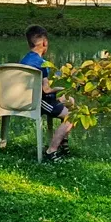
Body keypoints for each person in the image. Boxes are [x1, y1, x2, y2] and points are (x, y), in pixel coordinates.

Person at [20, 25, 74, 161]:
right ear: (44, 42)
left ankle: (63, 142)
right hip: (37, 101)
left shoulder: (25, 60)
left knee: (70, 101)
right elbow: (46, 90)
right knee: (73, 116)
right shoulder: (41, 64)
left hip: (24, 98)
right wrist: (62, 88)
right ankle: (52, 151)